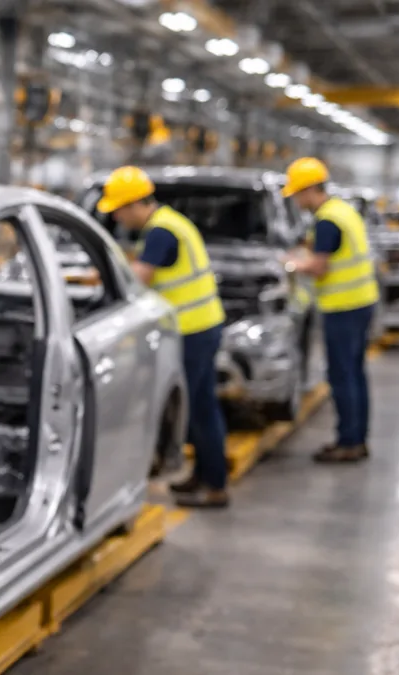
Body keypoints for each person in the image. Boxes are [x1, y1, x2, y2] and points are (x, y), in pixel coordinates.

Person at [97, 166, 230, 508]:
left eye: (119, 211)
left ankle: (214, 484)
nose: (118, 219)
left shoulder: (161, 232)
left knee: (197, 409)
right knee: (202, 406)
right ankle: (206, 475)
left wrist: (95, 277)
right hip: (201, 326)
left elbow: (138, 278)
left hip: (192, 331)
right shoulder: (169, 224)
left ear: (134, 204)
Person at [281, 157, 380, 463]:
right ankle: (357, 439)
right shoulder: (342, 211)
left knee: (341, 375)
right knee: (355, 373)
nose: (296, 201)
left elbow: (319, 267)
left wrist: (291, 264)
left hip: (343, 307)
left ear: (311, 189)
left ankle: (347, 442)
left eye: (297, 194)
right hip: (362, 302)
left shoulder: (327, 220)